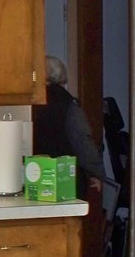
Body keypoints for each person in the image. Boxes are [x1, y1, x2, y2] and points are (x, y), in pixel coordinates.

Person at [33, 56, 106, 197]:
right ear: (62, 77)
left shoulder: (32, 103)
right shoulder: (68, 105)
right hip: (65, 176)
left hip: (36, 173)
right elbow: (82, 141)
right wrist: (96, 173)